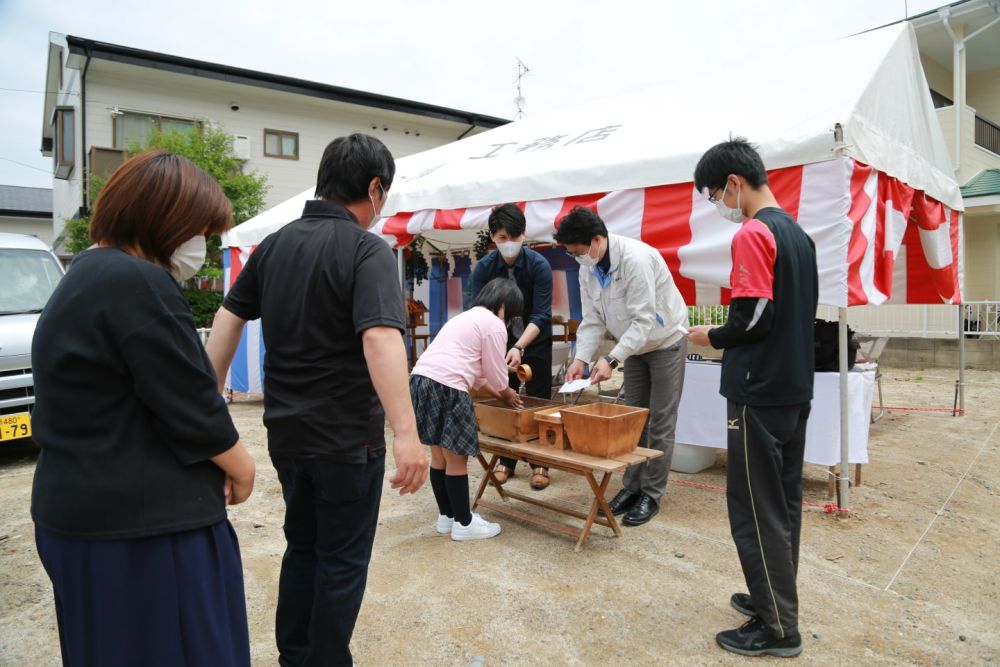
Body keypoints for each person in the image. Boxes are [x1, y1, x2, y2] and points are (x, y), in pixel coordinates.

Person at [205, 133, 428, 667]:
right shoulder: (365, 248)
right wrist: (407, 433)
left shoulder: (275, 244)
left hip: (287, 435)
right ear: (375, 189)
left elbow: (228, 317)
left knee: (302, 546)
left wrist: (207, 401)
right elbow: (380, 337)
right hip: (346, 440)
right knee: (342, 561)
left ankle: (295, 656)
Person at [30, 150, 257, 667]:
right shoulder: (138, 283)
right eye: (199, 229)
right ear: (166, 220)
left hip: (79, 516)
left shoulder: (82, 275)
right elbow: (191, 403)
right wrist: (242, 469)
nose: (201, 244)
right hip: (143, 532)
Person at [687, 137, 818, 658]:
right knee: (783, 502)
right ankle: (774, 597)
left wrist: (712, 336)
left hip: (756, 390)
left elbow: (754, 316)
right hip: (792, 386)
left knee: (754, 507)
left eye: (716, 193)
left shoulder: (753, 233)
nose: (719, 203)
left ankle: (778, 627)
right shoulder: (798, 234)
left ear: (735, 185)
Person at [555, 206, 689, 526]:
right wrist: (581, 359)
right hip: (633, 347)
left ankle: (651, 494)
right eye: (571, 254)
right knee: (632, 418)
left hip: (664, 341)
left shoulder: (636, 259)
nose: (577, 259)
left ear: (597, 240)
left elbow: (644, 321)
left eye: (578, 251)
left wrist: (612, 359)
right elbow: (591, 320)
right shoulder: (587, 267)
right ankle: (631, 488)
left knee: (660, 421)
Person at [411, 278, 524, 540]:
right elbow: (497, 377)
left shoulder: (465, 318)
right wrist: (507, 394)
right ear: (505, 306)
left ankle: (447, 517)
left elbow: (480, 376)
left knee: (439, 456)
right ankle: (464, 524)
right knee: (457, 458)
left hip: (421, 380)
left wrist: (500, 391)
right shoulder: (494, 324)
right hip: (449, 387)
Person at [467, 204, 554, 490]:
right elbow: (476, 309)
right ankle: (506, 460)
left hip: (534, 334)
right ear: (492, 236)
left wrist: (519, 346)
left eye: (514, 237)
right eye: (502, 237)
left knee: (540, 396)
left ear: (523, 234)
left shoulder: (538, 265)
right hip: (498, 336)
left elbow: (541, 313)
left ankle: (540, 461)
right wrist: (499, 345)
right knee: (506, 395)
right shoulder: (485, 267)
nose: (509, 244)